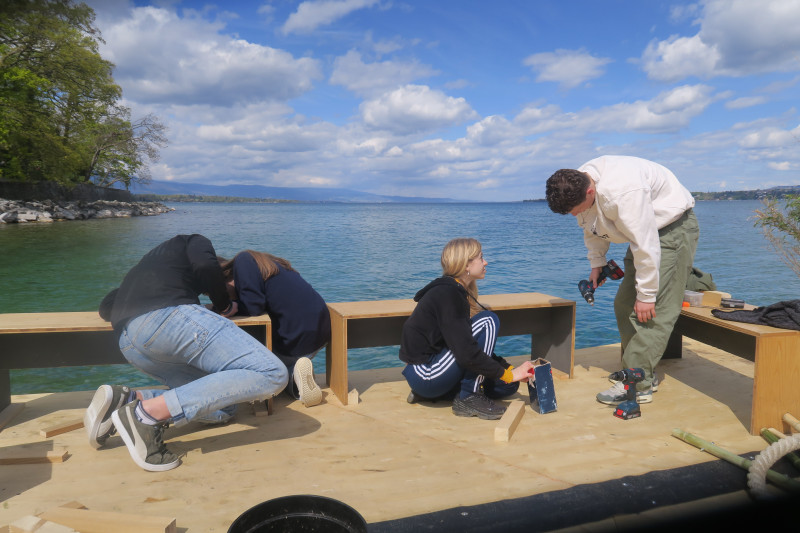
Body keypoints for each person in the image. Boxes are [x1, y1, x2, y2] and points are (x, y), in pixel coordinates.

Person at [85, 234, 289, 472]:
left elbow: (106, 307)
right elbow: (205, 264)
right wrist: (224, 304)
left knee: (223, 409)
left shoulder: (150, 270)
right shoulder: (192, 241)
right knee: (272, 373)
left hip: (130, 343)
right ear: (225, 273)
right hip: (168, 320)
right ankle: (146, 415)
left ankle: (131, 400)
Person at [545, 155, 698, 405]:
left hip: (671, 230)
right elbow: (591, 224)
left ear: (590, 191)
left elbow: (646, 244)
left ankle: (637, 384)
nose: (577, 216)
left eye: (578, 209)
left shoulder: (624, 191)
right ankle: (641, 372)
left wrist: (647, 296)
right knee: (624, 306)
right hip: (645, 233)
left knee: (650, 311)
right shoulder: (577, 182)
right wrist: (597, 263)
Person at [399, 238, 535, 420]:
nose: (486, 262)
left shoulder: (455, 291)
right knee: (488, 320)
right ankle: (469, 397)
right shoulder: (448, 294)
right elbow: (466, 352)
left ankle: (444, 394)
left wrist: (509, 371)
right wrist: (507, 374)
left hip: (435, 371)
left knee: (507, 386)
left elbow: (466, 344)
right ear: (466, 265)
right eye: (481, 257)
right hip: (425, 373)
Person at [218, 250, 330, 407]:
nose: (225, 298)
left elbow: (254, 307)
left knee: (264, 372)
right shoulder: (267, 263)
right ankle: (297, 375)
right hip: (322, 331)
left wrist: (232, 307)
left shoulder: (243, 261)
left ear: (224, 276)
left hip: (297, 339)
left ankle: (292, 374)